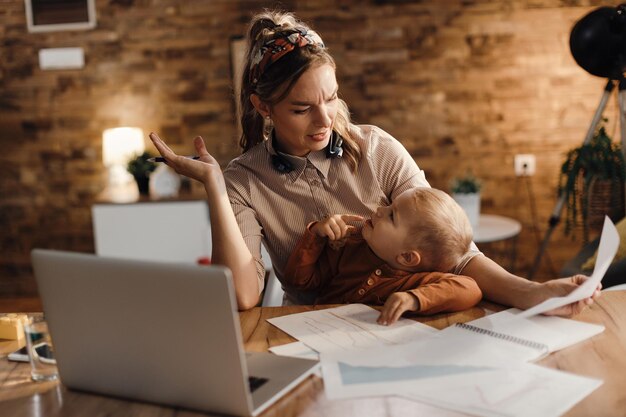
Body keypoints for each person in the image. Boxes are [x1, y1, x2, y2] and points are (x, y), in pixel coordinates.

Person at [149, 9, 600, 315]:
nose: (324, 119)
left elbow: (455, 252)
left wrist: (536, 293)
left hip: (401, 326)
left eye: (330, 98)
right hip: (315, 336)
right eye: (302, 108)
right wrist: (213, 184)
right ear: (263, 108)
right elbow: (244, 296)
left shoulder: (378, 148)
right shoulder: (243, 180)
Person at [283, 187, 482, 325]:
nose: (379, 210)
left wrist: (413, 299)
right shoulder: (348, 245)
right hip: (320, 333)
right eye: (389, 206)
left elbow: (469, 288)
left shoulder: (417, 282)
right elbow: (299, 281)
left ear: (407, 257)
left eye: (391, 215)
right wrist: (316, 235)